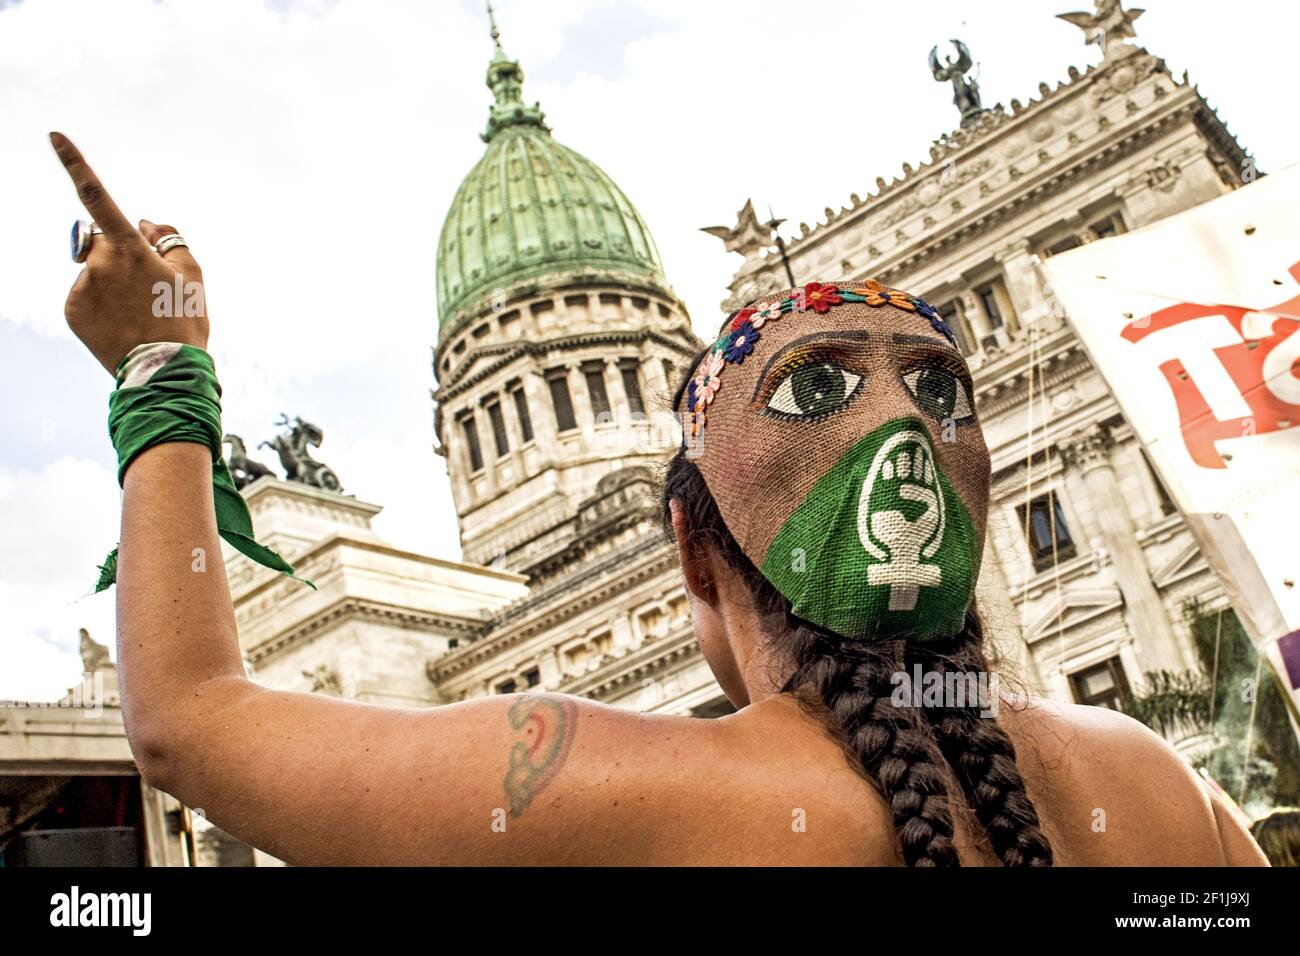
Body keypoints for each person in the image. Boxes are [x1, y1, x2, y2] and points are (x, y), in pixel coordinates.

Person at [49, 131, 1268, 866]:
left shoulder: (633, 797)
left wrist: (161, 356)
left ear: (692, 541)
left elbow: (189, 721)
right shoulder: (1160, 787)